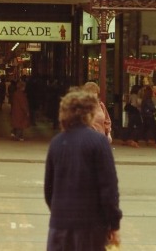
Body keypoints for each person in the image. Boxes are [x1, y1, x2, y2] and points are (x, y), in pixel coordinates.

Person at [44, 88, 122, 251]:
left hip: (59, 225)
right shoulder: (98, 142)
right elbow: (109, 189)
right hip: (90, 226)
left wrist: (61, 212)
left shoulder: (57, 143)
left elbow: (49, 190)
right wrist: (113, 224)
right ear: (89, 114)